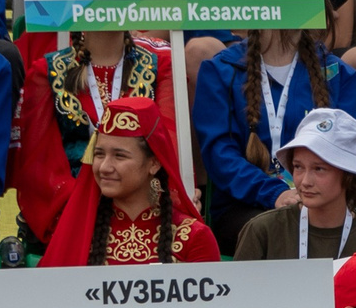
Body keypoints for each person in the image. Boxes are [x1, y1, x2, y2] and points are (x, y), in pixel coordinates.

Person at [191, 24, 356, 251]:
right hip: (244, 206)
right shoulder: (220, 70)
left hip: (323, 203)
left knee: (354, 236)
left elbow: (350, 152)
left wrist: (315, 195)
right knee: (280, 231)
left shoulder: (339, 73)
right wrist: (274, 193)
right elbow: (220, 156)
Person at [13, 25, 168, 248]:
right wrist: (81, 209)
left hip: (140, 204)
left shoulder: (157, 67)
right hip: (70, 209)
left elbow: (166, 148)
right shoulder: (47, 70)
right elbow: (39, 164)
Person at [36, 97, 220, 268]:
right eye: (99, 154)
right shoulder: (78, 233)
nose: (104, 167)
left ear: (154, 163)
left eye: (119, 156)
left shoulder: (192, 237)